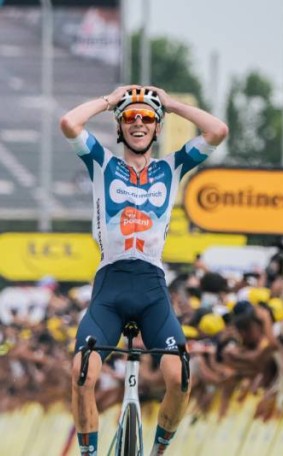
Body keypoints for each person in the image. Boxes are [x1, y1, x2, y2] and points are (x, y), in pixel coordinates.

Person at [59, 85, 228, 456]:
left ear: (157, 127)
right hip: (111, 287)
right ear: (120, 127)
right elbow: (70, 123)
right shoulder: (103, 162)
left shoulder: (174, 166)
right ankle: (89, 453)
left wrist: (170, 104)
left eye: (148, 118)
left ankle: (157, 451)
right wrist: (109, 100)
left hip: (152, 288)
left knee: (180, 377)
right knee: (82, 372)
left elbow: (217, 131)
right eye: (130, 117)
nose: (139, 122)